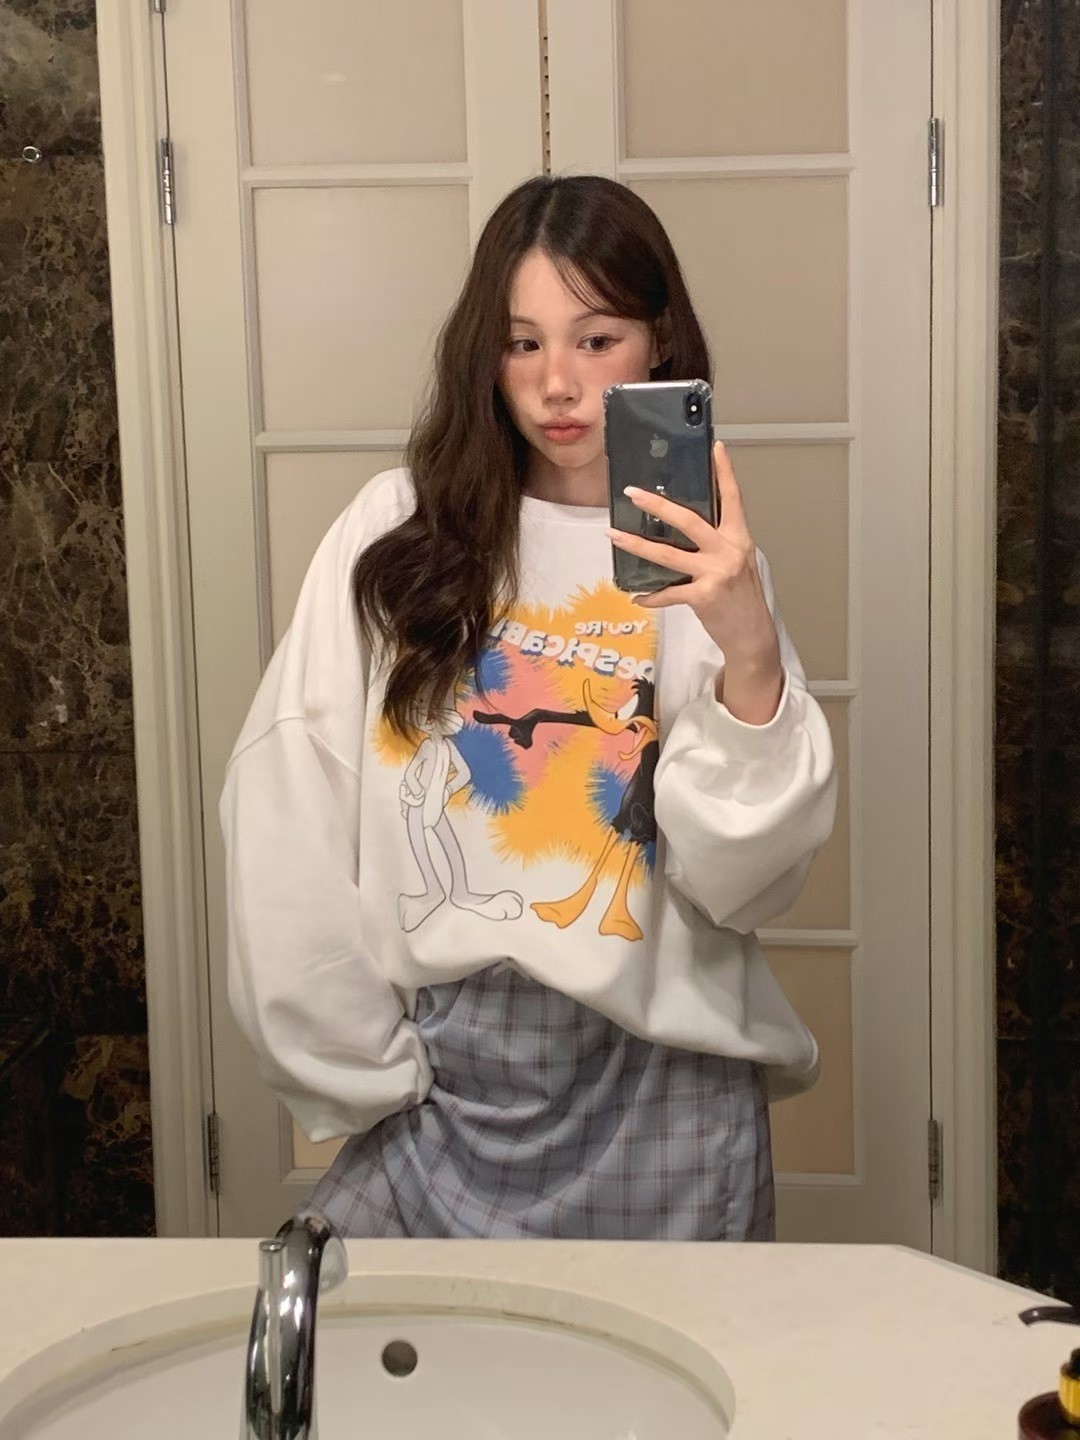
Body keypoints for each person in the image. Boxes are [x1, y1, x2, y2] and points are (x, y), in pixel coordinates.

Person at [220, 174, 837, 1240]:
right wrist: (351, 1062)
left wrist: (748, 649)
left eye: (596, 341)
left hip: (668, 1088)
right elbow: (290, 793)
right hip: (442, 1085)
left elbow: (739, 886)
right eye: (522, 343)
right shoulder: (398, 530)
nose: (558, 384)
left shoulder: (701, 560)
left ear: (657, 341)